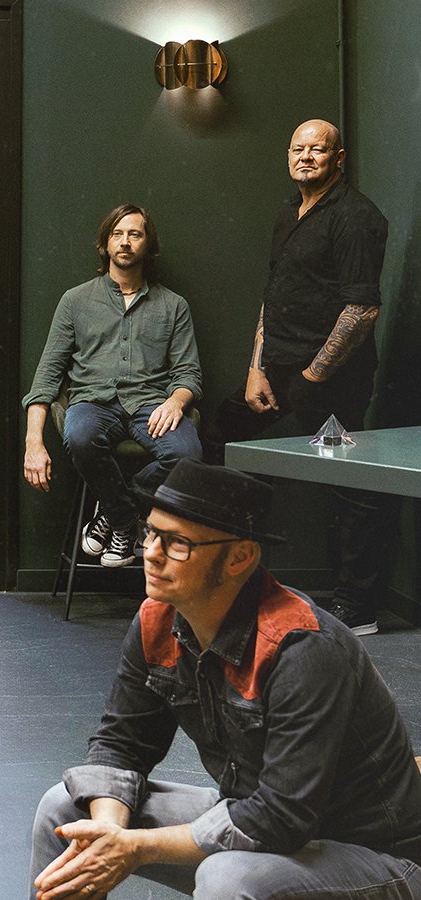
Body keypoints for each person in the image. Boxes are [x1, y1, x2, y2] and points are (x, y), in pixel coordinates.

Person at [31, 459, 421, 900]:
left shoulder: (302, 648)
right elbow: (122, 744)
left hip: (375, 859)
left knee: (228, 877)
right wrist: (107, 833)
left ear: (240, 558)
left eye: (178, 543)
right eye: (151, 533)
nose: (152, 553)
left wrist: (135, 848)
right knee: (65, 810)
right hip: (257, 821)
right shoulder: (158, 620)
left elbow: (281, 818)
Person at [202, 119, 391, 636]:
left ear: (339, 158)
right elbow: (275, 293)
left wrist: (312, 377)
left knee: (349, 482)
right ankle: (231, 576)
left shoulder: (356, 217)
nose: (305, 157)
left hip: (333, 380)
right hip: (279, 370)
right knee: (221, 437)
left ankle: (358, 606)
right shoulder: (290, 211)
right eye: (297, 149)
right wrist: (256, 367)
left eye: (318, 149)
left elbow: (361, 309)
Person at [22, 204, 203, 567]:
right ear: (105, 244)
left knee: (187, 454)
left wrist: (176, 401)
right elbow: (47, 375)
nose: (125, 242)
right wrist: (33, 443)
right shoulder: (75, 300)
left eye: (135, 234)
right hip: (93, 402)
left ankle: (112, 511)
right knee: (80, 436)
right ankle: (125, 520)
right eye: (117, 234)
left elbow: (188, 374)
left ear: (148, 244)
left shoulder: (173, 305)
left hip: (151, 403)